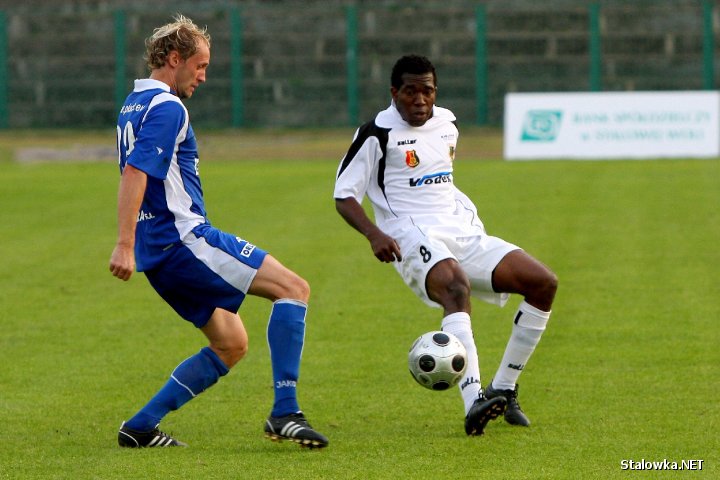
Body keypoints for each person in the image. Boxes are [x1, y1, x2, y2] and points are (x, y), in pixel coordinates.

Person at [109, 14, 328, 449]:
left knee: (231, 342)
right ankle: (285, 413)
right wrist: (122, 243)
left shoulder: (132, 105)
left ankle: (140, 426)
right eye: (201, 66)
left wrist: (135, 242)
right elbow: (136, 171)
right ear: (175, 59)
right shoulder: (168, 106)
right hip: (184, 240)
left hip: (161, 255)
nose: (203, 77)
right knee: (293, 288)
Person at [334, 54, 558, 436]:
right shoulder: (376, 133)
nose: (420, 100)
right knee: (455, 288)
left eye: (428, 91)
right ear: (394, 93)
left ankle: (503, 389)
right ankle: (474, 403)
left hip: (461, 231)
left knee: (543, 283)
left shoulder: (448, 124)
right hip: (409, 233)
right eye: (411, 91)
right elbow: (343, 195)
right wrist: (375, 233)